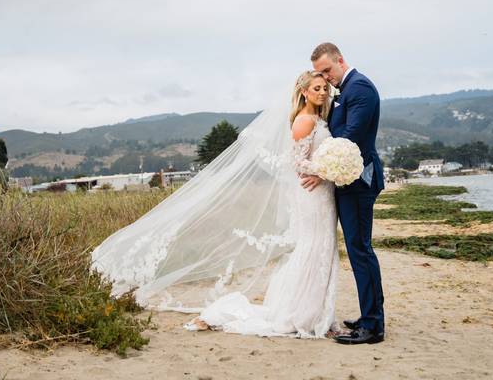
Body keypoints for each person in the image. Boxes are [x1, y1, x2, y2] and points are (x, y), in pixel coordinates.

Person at [90, 70, 341, 339]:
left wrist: (329, 169)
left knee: (322, 246)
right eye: (317, 88)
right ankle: (301, 313)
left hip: (322, 192)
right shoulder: (303, 120)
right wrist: (327, 169)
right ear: (304, 91)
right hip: (311, 191)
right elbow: (297, 162)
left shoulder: (319, 118)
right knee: (313, 246)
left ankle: (316, 312)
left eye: (325, 88)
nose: (322, 93)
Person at [307, 42, 385, 345]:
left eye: (327, 70)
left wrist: (319, 168)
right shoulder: (344, 89)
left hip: (359, 182)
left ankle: (374, 326)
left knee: (360, 250)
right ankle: (369, 316)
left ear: (341, 60)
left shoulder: (360, 88)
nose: (325, 78)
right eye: (320, 74)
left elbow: (349, 138)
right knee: (357, 249)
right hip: (345, 182)